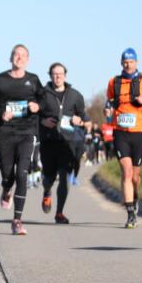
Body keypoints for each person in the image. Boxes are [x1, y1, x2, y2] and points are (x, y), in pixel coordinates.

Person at [0, 44, 43, 235]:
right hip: (5, 133)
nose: (19, 58)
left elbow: (44, 100)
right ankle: (6, 189)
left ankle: (17, 220)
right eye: (16, 55)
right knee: (8, 175)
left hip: (26, 132)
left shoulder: (33, 80)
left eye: (23, 55)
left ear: (28, 59)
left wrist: (36, 106)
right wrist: (0, 113)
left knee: (22, 173)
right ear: (11, 58)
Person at [105, 48, 142, 229]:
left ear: (136, 62)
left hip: (139, 133)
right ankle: (130, 214)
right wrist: (107, 113)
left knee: (135, 177)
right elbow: (109, 105)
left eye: (131, 61)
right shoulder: (114, 82)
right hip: (120, 132)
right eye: (125, 62)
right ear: (121, 63)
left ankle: (135, 198)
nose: (128, 64)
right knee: (127, 172)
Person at [38, 62, 90, 223]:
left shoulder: (75, 95)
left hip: (67, 143)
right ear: (50, 76)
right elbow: (33, 115)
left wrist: (79, 121)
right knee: (49, 178)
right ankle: (47, 191)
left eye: (60, 74)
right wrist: (43, 121)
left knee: (64, 176)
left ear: (65, 76)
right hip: (48, 142)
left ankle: (59, 213)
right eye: (54, 74)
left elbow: (85, 120)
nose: (57, 77)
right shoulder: (42, 94)